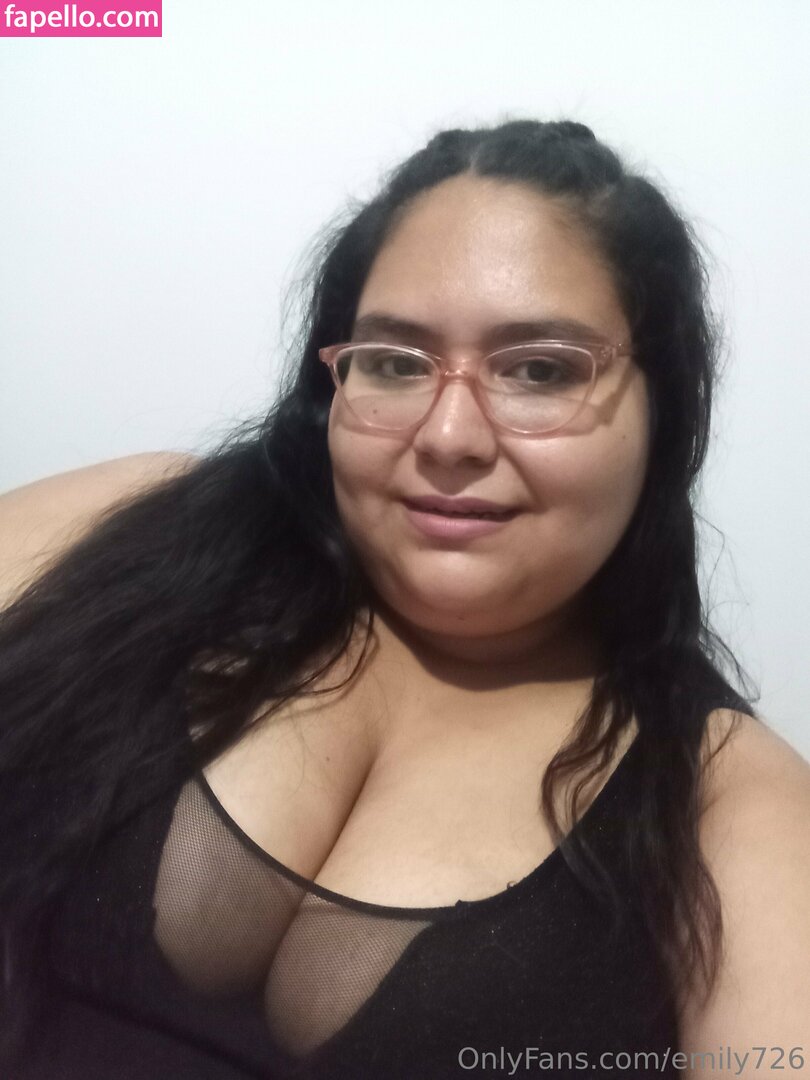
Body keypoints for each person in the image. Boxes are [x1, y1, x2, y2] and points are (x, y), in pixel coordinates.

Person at [1, 119, 809, 1080]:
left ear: (663, 408)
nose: (450, 436)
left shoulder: (729, 802)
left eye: (540, 370)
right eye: (394, 361)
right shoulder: (127, 532)